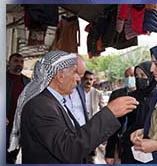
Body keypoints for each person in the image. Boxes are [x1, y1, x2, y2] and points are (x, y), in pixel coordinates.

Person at [9, 50, 137, 164]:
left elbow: (74, 137)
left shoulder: (53, 101)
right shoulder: (41, 106)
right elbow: (68, 148)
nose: (78, 79)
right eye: (75, 72)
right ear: (60, 76)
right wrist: (110, 113)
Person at [106, 62, 157, 164]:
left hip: (153, 151)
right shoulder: (130, 97)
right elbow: (116, 125)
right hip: (130, 149)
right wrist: (110, 152)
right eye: (137, 76)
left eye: (143, 75)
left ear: (151, 76)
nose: (139, 79)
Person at [6, 53, 30, 164]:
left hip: (18, 125)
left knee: (12, 154)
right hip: (4, 125)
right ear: (9, 62)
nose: (19, 64)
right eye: (16, 61)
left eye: (21, 62)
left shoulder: (27, 82)